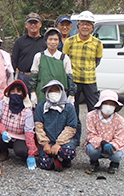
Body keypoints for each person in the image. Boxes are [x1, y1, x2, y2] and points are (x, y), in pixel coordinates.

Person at [63, 10, 103, 146]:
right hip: (73, 82)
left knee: (94, 111)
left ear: (92, 27)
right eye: (82, 24)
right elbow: (65, 61)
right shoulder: (70, 41)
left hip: (90, 81)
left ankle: (95, 139)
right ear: (78, 26)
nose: (85, 27)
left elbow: (97, 60)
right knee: (73, 111)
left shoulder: (97, 43)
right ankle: (75, 139)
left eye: (88, 24)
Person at [0, 80, 37, 170]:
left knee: (22, 151)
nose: (16, 94)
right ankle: (3, 151)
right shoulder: (2, 104)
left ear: (23, 95)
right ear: (9, 93)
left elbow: (29, 132)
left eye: (19, 92)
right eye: (13, 91)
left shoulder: (27, 111)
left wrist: (31, 153)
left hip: (20, 136)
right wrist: (3, 131)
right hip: (5, 134)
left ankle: (24, 156)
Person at [34, 80, 77, 171]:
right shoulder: (41, 107)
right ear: (47, 93)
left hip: (64, 142)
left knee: (68, 152)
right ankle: (54, 159)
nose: (54, 93)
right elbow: (38, 127)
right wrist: (45, 144)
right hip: (47, 143)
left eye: (56, 90)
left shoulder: (69, 107)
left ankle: (64, 160)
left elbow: (71, 128)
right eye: (50, 90)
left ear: (61, 92)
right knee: (45, 164)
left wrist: (58, 144)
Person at [29, 28, 76, 106]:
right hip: (42, 95)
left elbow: (69, 77)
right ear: (45, 41)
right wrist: (33, 93)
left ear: (59, 41)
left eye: (55, 39)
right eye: (50, 39)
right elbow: (34, 77)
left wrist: (71, 95)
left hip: (60, 94)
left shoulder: (64, 58)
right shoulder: (39, 56)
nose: (53, 42)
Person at [85, 90, 124, 174]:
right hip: (97, 145)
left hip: (111, 145)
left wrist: (112, 145)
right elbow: (91, 134)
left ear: (116, 106)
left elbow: (120, 138)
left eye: (112, 104)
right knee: (92, 150)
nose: (108, 106)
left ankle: (114, 163)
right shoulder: (91, 116)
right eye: (106, 103)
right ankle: (94, 162)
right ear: (101, 104)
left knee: (117, 155)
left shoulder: (120, 120)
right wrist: (102, 143)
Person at [12, 13, 47, 89]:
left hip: (41, 77)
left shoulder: (45, 41)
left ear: (40, 24)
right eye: (30, 23)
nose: (33, 25)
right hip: (24, 77)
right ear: (26, 25)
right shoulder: (19, 41)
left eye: (35, 22)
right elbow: (14, 60)